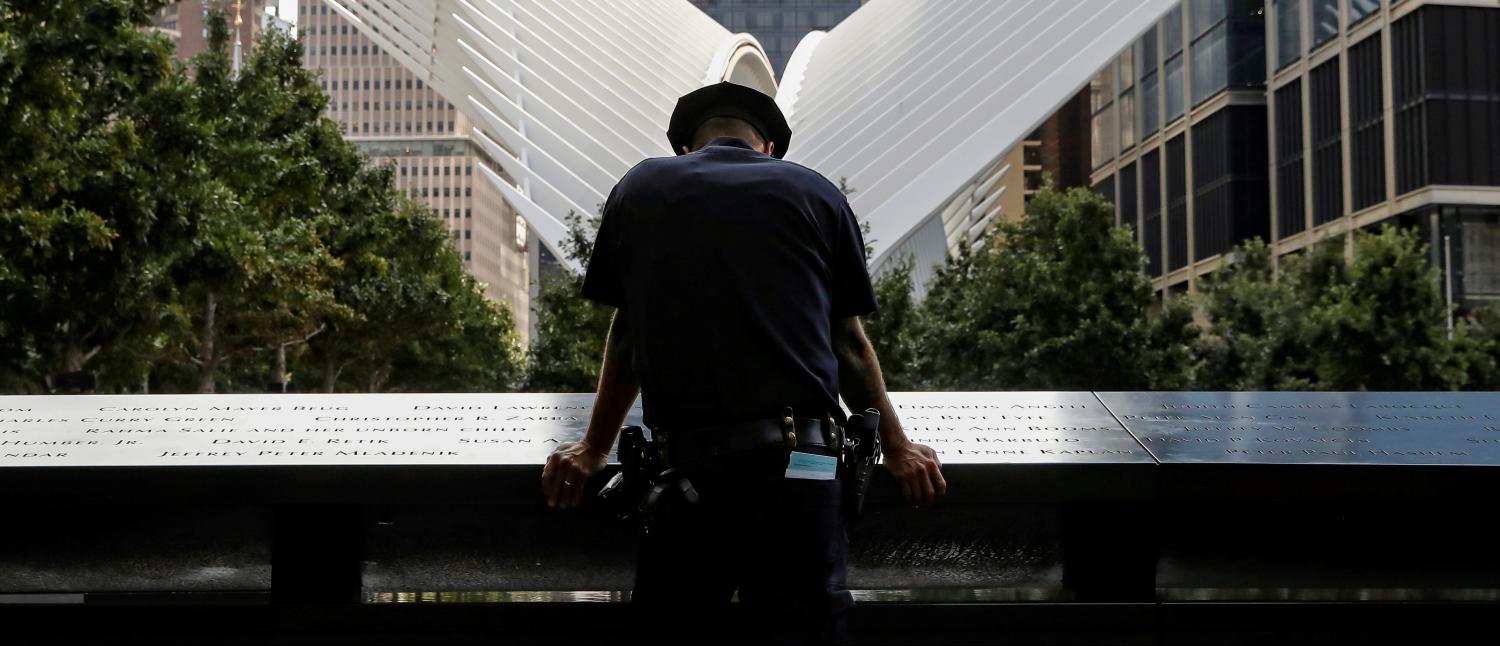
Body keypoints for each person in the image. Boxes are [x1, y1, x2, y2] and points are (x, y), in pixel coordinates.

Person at [541, 81, 946, 644]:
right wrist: (899, 448)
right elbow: (848, 344)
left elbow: (629, 336)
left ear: (687, 147)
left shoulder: (641, 187)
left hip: (686, 479)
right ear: (770, 148)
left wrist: (591, 448)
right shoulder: (816, 194)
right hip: (803, 472)